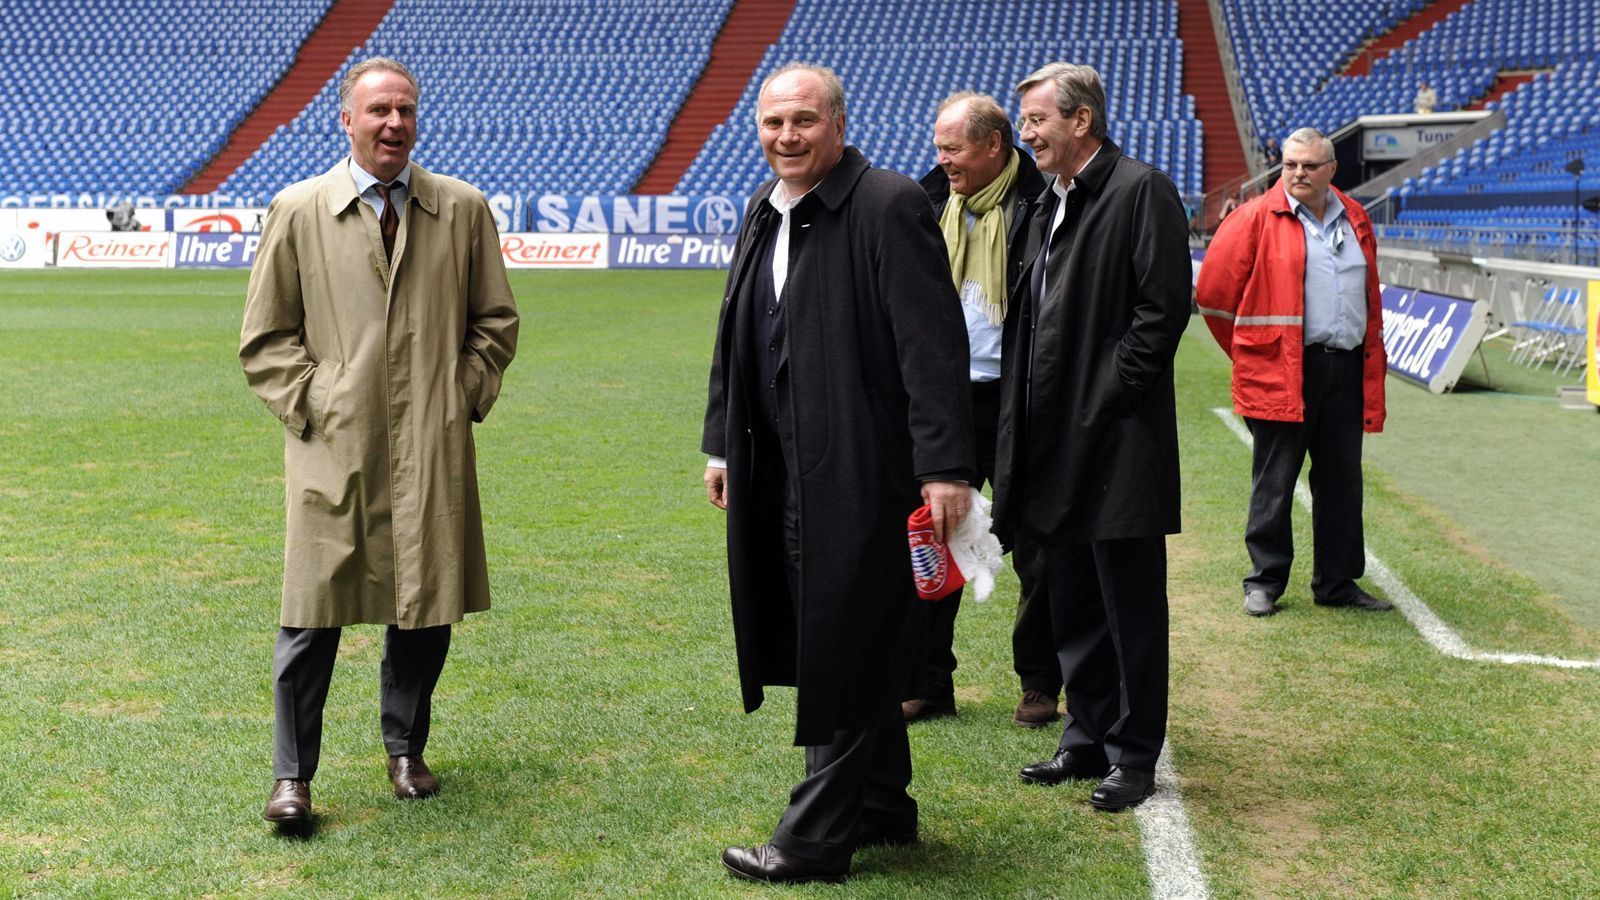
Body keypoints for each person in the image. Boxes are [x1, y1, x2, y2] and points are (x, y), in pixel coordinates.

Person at [702, 62, 974, 884]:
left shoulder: (888, 204)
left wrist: (946, 466)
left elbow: (933, 346)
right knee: (837, 627)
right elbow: (736, 337)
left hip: (867, 473)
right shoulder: (762, 210)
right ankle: (884, 804)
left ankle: (813, 839)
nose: (787, 137)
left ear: (838, 124)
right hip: (782, 473)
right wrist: (722, 444)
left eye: (804, 122)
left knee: (844, 640)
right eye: (774, 123)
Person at [240, 57, 519, 829]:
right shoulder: (298, 210)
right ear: (347, 120)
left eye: (405, 109)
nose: (394, 123)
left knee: (425, 605)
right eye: (378, 111)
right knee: (311, 611)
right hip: (336, 446)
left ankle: (406, 751)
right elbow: (265, 339)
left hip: (432, 445)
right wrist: (318, 403)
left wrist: (459, 395)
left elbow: (495, 323)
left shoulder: (461, 210)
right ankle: (291, 780)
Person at [993, 63, 1190, 812]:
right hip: (1052, 444)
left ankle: (1134, 754)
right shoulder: (1045, 203)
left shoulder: (1141, 191)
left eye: (1038, 120)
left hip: (1114, 444)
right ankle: (1086, 736)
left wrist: (1105, 399)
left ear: (1081, 121)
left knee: (1129, 605)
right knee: (1069, 598)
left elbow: (1161, 312)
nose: (1028, 134)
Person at [1195, 126, 1390, 618]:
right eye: (1290, 165)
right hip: (1282, 369)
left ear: (1331, 170)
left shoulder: (1356, 217)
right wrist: (1251, 353)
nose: (1298, 173)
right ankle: (1264, 581)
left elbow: (1367, 295)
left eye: (1309, 165)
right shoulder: (1253, 217)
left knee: (1342, 480)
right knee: (1275, 480)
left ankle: (1337, 581)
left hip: (1344, 367)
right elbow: (1214, 298)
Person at [909, 91, 1059, 728]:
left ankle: (1040, 682)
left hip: (1021, 397)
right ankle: (926, 680)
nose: (942, 160)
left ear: (994, 145)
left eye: (953, 148)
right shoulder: (925, 199)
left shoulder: (1046, 201)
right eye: (939, 147)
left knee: (1038, 543)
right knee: (930, 532)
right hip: (944, 397)